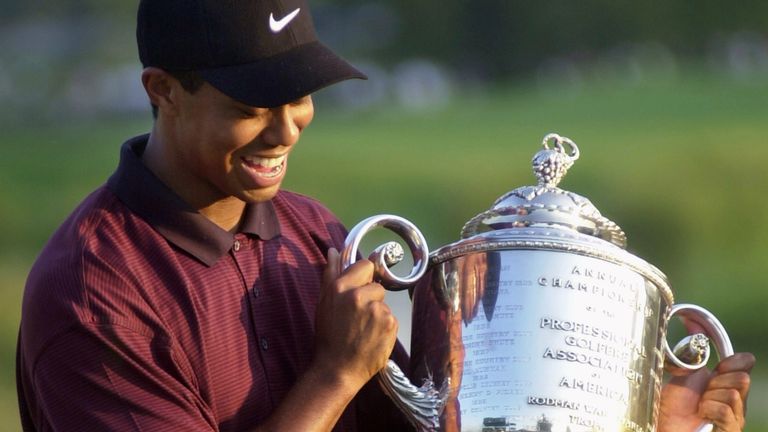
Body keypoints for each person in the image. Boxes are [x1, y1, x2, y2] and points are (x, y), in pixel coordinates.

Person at [16, 0, 754, 431]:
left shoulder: (316, 236)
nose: (286, 129)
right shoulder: (93, 297)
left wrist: (628, 413)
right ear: (163, 89)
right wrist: (334, 377)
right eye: (250, 107)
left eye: (300, 97)